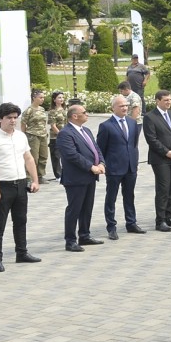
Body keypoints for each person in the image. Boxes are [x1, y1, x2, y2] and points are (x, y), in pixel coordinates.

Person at [0, 102, 42, 272]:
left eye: (15, 117)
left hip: (21, 183)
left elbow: (28, 158)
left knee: (21, 220)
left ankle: (21, 252)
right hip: (3, 185)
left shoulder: (20, 136)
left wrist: (35, 180)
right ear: (0, 119)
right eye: (9, 118)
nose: (13, 121)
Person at [56, 103, 106, 252]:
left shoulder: (86, 130)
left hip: (90, 176)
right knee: (74, 209)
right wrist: (91, 166)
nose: (87, 114)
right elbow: (72, 155)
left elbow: (95, 149)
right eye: (84, 112)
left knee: (87, 207)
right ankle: (70, 240)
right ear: (74, 116)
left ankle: (84, 235)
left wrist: (102, 163)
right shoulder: (65, 133)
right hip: (76, 178)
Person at [96, 94, 142, 237]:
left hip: (130, 167)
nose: (125, 108)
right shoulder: (106, 126)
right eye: (121, 105)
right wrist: (102, 164)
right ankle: (111, 226)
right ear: (113, 108)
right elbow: (100, 148)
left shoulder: (132, 122)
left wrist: (135, 161)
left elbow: (134, 144)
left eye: (126, 105)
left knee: (129, 196)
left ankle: (131, 223)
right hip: (114, 167)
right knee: (111, 197)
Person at [143, 89, 171, 231]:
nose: (169, 102)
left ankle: (169, 216)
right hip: (161, 159)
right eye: (166, 100)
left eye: (170, 100)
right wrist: (167, 152)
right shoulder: (150, 117)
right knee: (163, 188)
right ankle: (160, 220)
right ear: (157, 101)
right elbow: (152, 139)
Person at [22, 90, 51, 182]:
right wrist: (24, 136)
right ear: (34, 98)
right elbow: (23, 124)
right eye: (40, 97)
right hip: (33, 135)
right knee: (33, 157)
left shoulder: (42, 109)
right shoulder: (29, 110)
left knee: (44, 156)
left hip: (43, 135)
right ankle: (29, 177)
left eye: (43, 97)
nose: (42, 99)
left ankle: (40, 175)